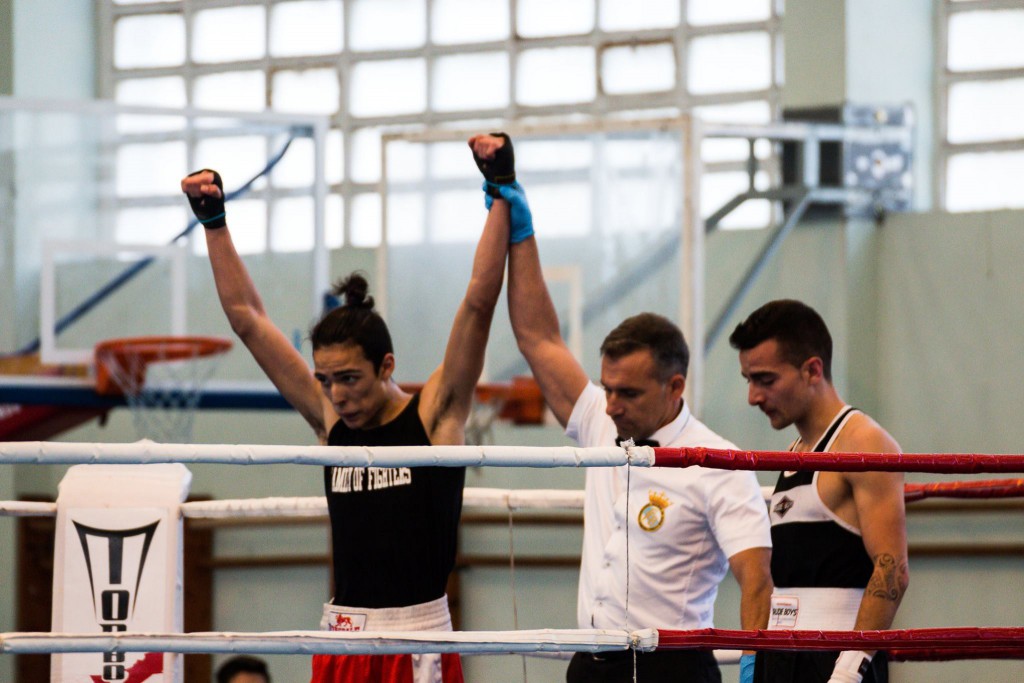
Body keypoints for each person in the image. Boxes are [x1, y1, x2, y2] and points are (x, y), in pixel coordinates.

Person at [181, 138, 512, 683]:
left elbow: (478, 302)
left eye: (351, 379)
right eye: (326, 381)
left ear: (386, 366)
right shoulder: (330, 421)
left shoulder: (433, 416)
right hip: (342, 634)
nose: (337, 396)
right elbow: (247, 319)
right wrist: (213, 222)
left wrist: (500, 188)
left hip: (418, 635)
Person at [477, 133, 773, 683]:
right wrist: (515, 213)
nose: (611, 405)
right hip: (589, 665)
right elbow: (539, 338)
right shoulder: (598, 417)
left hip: (672, 670)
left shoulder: (720, 463)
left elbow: (755, 578)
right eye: (607, 387)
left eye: (629, 393)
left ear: (675, 387)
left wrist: (754, 668)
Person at [729, 299, 909, 683]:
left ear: (812, 370)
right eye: (749, 380)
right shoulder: (794, 453)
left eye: (765, 380)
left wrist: (849, 669)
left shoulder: (864, 443)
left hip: (835, 659)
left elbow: (892, 569)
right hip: (780, 655)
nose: (753, 397)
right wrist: (754, 658)